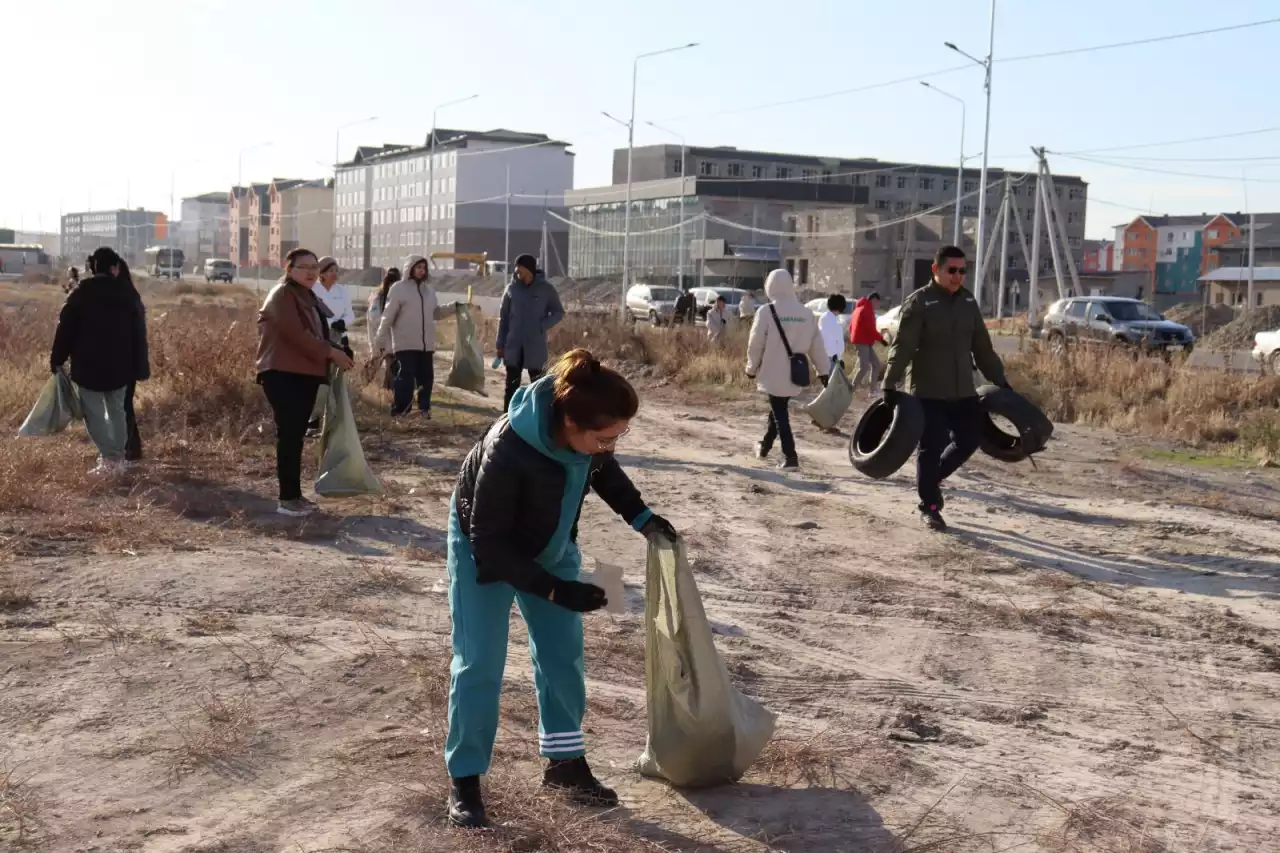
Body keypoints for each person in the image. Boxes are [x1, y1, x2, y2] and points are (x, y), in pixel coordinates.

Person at [444, 348, 678, 829]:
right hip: (482, 551)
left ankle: (565, 765)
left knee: (561, 655)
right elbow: (489, 541)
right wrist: (554, 591)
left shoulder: (584, 440)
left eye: (620, 434)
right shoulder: (508, 449)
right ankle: (465, 782)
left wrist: (643, 518)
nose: (612, 444)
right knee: (480, 664)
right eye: (606, 435)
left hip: (550, 545)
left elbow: (602, 469)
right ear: (570, 424)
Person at [882, 246, 1010, 532]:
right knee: (931, 446)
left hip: (963, 390)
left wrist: (1000, 380)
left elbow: (983, 348)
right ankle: (929, 505)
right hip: (927, 391)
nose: (957, 276)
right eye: (951, 270)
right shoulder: (920, 303)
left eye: (962, 271)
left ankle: (930, 480)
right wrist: (890, 383)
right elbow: (902, 348)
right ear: (936, 270)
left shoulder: (967, 302)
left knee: (968, 440)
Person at [255, 248, 355, 517]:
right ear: (289, 269)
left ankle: (295, 495)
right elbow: (298, 336)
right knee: (289, 436)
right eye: (304, 267)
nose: (311, 272)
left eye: (314, 266)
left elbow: (316, 333)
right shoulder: (283, 295)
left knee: (296, 436)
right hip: (283, 373)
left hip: (303, 373)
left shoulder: (306, 295)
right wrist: (331, 352)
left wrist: (338, 349)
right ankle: (287, 499)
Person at [49, 247, 148, 474]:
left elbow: (65, 330)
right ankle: (119, 458)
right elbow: (138, 334)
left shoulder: (80, 294)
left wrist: (57, 359)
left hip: (88, 365)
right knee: (117, 411)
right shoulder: (129, 295)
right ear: (114, 268)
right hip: (121, 366)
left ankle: (109, 459)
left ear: (93, 268)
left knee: (93, 414)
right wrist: (138, 365)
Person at [745, 269, 830, 469]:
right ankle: (764, 447)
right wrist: (823, 371)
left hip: (773, 372)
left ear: (770, 286)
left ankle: (790, 455)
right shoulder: (806, 313)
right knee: (778, 408)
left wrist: (751, 367)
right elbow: (816, 345)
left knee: (779, 411)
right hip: (795, 373)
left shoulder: (766, 311)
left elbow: (755, 344)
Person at [373, 255, 460, 418]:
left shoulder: (429, 291)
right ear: (410, 268)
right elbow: (388, 316)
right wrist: (380, 338)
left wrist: (454, 307)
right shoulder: (399, 289)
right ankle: (400, 411)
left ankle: (423, 410)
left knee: (426, 378)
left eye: (424, 268)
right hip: (405, 343)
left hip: (426, 344)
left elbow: (435, 313)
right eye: (418, 267)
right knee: (405, 379)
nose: (421, 271)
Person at [497, 254, 565, 412]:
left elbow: (558, 312)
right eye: (517, 272)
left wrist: (543, 325)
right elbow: (503, 319)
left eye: (522, 272)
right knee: (511, 387)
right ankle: (507, 418)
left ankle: (538, 418)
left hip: (535, 345)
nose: (519, 275)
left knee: (539, 387)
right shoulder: (512, 289)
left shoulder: (546, 289)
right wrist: (500, 345)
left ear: (530, 270)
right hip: (514, 345)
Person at [114, 259, 149, 462]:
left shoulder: (124, 296)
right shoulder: (130, 294)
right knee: (124, 405)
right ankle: (131, 448)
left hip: (126, 360)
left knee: (123, 405)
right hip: (130, 360)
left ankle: (131, 449)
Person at [850, 291, 887, 396]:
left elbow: (851, 327)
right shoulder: (867, 310)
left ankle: (873, 390)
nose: (878, 305)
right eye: (878, 302)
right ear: (874, 300)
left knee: (876, 364)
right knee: (864, 367)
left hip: (864, 341)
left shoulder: (858, 308)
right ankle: (851, 389)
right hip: (862, 342)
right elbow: (870, 329)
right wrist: (881, 339)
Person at [314, 257, 355, 351]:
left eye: (336, 270)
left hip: (340, 335)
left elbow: (350, 314)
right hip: (319, 334)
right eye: (331, 270)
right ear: (321, 273)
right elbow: (313, 314)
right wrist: (331, 323)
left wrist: (343, 322)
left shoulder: (342, 290)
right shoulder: (313, 289)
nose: (334, 273)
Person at [367, 267, 400, 357]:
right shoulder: (376, 298)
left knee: (391, 368)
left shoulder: (400, 297)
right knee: (375, 366)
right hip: (380, 341)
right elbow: (373, 320)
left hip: (394, 345)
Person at [818, 293, 848, 373]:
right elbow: (837, 343)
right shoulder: (835, 323)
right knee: (833, 384)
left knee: (827, 383)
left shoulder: (823, 318)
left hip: (823, 356)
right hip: (833, 358)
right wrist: (840, 358)